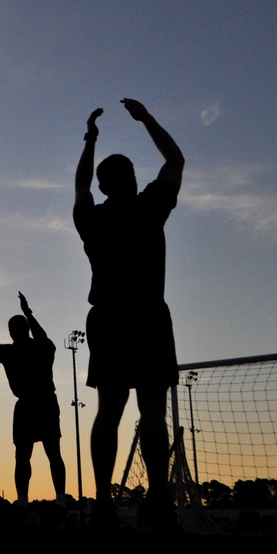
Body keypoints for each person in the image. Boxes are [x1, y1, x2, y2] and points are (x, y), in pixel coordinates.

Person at [73, 98, 185, 531]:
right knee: (153, 412)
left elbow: (81, 184)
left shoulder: (90, 218)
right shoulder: (151, 206)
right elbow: (175, 158)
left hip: (108, 319)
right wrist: (146, 120)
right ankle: (158, 501)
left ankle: (103, 504)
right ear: (135, 180)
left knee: (107, 412)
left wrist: (90, 139)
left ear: (104, 187)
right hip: (148, 315)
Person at [0, 292, 66, 507]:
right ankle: (58, 498)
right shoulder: (40, 347)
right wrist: (28, 312)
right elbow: (43, 338)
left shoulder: (11, 351)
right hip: (44, 403)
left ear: (13, 332)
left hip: (30, 404)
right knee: (51, 453)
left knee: (25, 455)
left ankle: (24, 500)